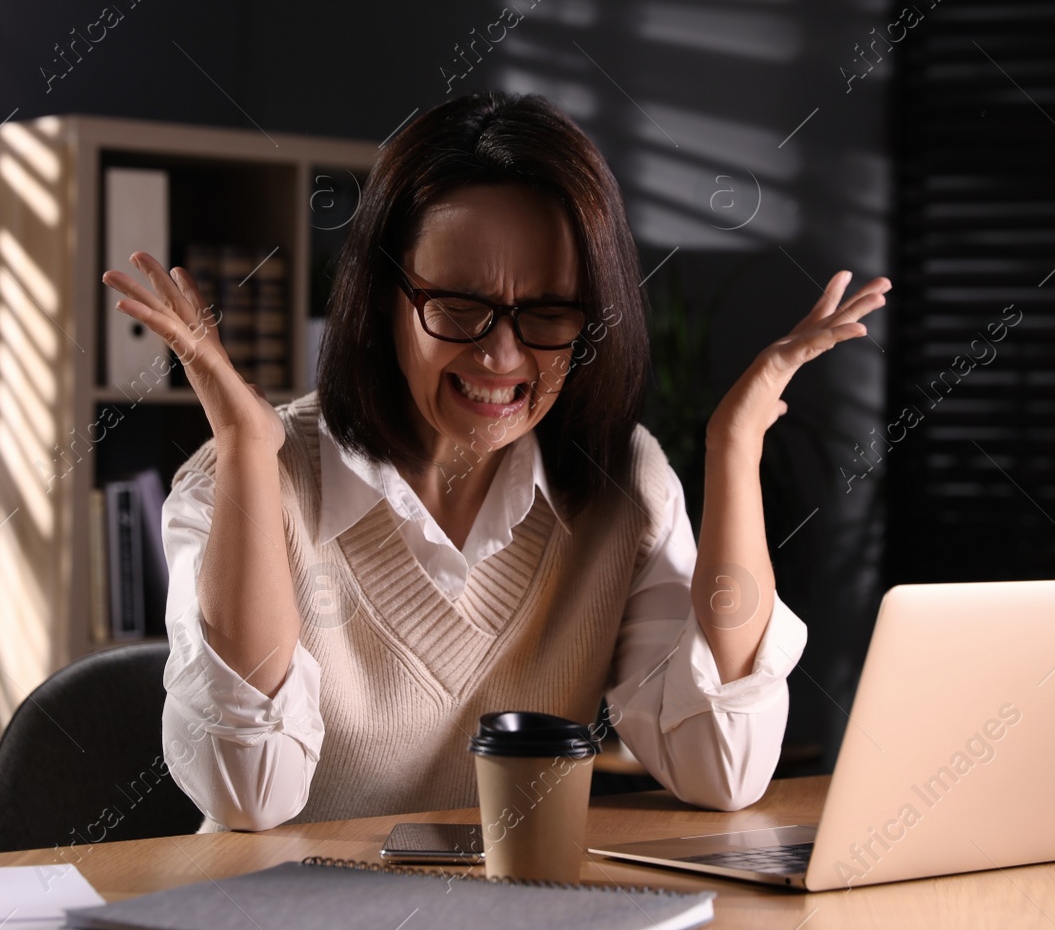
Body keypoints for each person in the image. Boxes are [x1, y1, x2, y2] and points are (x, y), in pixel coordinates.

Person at [100, 91, 889, 832]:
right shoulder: (233, 482)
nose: (502, 354)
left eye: (547, 312)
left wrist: (735, 449)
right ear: (383, 297)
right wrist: (246, 454)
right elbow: (250, 794)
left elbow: (725, 765)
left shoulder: (622, 483)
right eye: (458, 307)